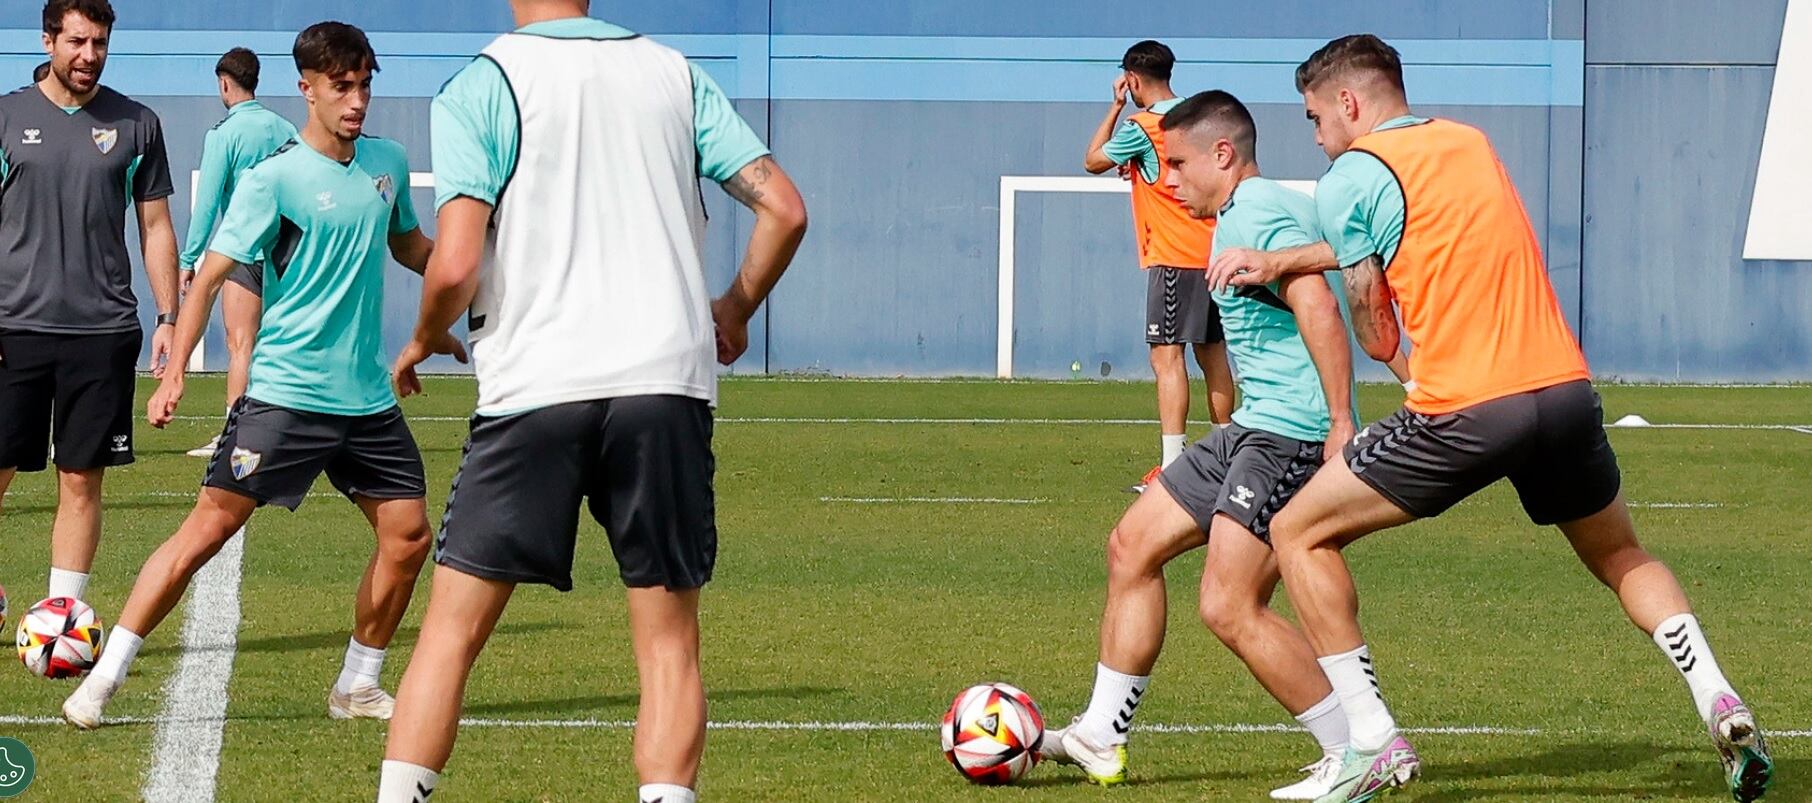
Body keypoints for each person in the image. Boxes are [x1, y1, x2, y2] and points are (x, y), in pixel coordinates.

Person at [1210, 34, 1772, 803]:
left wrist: (1327, 281)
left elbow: (1378, 332)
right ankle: (1719, 695)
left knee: (1298, 529)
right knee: (1621, 555)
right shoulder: (1469, 142)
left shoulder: (1348, 178)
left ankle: (1371, 741)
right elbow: (1425, 232)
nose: (1314, 136)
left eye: (1315, 118)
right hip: (1564, 391)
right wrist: (1292, 260)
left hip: (1465, 407)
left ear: (1348, 103)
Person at [375, 2, 807, 801]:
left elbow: (456, 258)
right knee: (670, 647)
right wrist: (736, 307)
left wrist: (427, 332)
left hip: (539, 382)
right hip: (664, 383)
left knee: (450, 634)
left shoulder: (483, 81)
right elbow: (785, 207)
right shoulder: (674, 72)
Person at [62, 21, 460, 730]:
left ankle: (358, 683)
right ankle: (105, 675)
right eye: (342, 87)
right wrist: (175, 371)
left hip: (367, 400)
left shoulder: (388, 163)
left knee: (408, 536)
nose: (357, 100)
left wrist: (462, 295)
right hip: (285, 396)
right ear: (305, 88)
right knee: (205, 532)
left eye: (366, 85)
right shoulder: (272, 177)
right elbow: (211, 275)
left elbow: (411, 245)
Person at [1042, 91, 1368, 800]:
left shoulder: (1258, 210)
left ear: (1224, 154)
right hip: (1252, 425)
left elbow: (1316, 303)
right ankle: (1100, 733)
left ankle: (1358, 748)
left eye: (1179, 163)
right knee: (1132, 545)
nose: (1168, 179)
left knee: (1229, 603)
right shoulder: (1231, 219)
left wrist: (1341, 420)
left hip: (1290, 434)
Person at [0, 0, 178, 605]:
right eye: (77, 41)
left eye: (99, 43)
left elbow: (156, 226)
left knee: (80, 478)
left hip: (102, 331)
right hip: (12, 328)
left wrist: (169, 316)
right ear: (48, 40)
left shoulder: (136, 124)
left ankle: (63, 613)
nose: (89, 56)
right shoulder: (4, 118)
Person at [1084, 40, 1235, 492]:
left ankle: (1172, 469)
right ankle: (1229, 458)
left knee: (1167, 358)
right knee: (1214, 358)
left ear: (1131, 80)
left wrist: (1114, 109)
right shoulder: (1197, 120)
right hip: (1214, 253)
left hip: (1174, 258)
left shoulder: (1141, 125)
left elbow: (1092, 160)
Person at [179, 47, 299, 458]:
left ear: (225, 83)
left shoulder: (224, 134)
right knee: (280, 345)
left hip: (245, 251)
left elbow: (209, 201)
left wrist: (188, 258)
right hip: (288, 251)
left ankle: (235, 434)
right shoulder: (286, 128)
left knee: (241, 343)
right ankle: (283, 430)